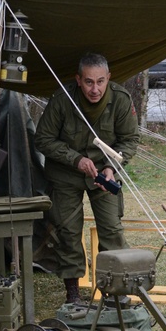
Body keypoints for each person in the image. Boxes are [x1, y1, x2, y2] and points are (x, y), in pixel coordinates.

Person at [33, 53, 140, 307]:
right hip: (65, 174)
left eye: (101, 82)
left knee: (111, 229)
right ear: (78, 80)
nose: (95, 89)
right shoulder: (62, 100)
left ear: (109, 79)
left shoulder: (121, 100)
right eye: (89, 82)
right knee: (68, 231)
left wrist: (112, 168)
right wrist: (75, 159)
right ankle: (73, 293)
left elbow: (130, 140)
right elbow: (43, 139)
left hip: (104, 174)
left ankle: (113, 291)